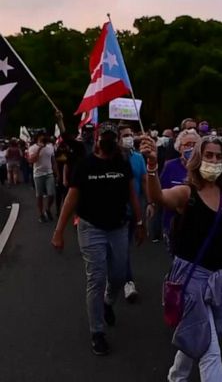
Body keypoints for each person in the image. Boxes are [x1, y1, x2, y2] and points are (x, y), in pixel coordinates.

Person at [140, 134, 222, 382]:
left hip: (216, 278)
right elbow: (158, 198)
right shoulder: (187, 192)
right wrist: (153, 167)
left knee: (196, 333)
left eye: (219, 156)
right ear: (198, 159)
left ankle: (176, 377)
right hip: (190, 280)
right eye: (208, 155)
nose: (214, 160)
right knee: (210, 348)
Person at [51, 122, 145, 356]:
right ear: (97, 139)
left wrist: (140, 222)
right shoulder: (84, 165)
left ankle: (108, 303)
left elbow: (131, 193)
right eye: (105, 136)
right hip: (91, 227)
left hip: (119, 227)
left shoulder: (121, 164)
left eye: (112, 137)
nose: (109, 140)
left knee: (119, 275)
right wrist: (59, 231)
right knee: (96, 278)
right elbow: (71, 198)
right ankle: (97, 332)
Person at [159, 129, 201, 253]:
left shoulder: (204, 167)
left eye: (195, 144)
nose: (191, 148)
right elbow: (162, 191)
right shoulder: (170, 166)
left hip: (197, 223)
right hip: (173, 223)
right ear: (179, 147)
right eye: (187, 144)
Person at [119, 125, 148, 302]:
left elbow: (144, 181)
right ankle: (125, 279)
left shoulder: (138, 158)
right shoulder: (112, 159)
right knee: (120, 248)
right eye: (125, 135)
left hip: (135, 208)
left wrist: (150, 202)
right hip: (116, 212)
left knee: (125, 247)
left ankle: (125, 279)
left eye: (130, 134)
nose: (129, 138)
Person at [28, 131, 57, 222]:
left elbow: (53, 161)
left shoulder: (50, 147)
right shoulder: (32, 148)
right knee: (39, 195)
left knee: (51, 194)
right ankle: (41, 214)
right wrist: (39, 149)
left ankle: (48, 209)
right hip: (38, 174)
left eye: (44, 136)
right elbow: (31, 161)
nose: (43, 138)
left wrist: (57, 173)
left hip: (49, 173)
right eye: (41, 137)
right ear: (37, 138)